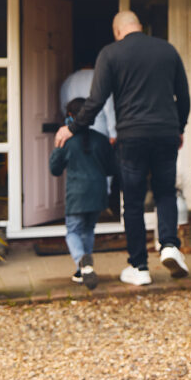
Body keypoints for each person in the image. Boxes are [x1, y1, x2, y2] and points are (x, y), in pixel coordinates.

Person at [55, 11, 191, 286]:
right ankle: (168, 245)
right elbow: (184, 96)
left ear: (117, 30)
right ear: (139, 26)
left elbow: (95, 101)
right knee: (165, 192)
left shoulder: (111, 53)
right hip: (165, 132)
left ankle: (139, 267)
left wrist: (72, 128)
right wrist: (180, 128)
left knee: (133, 201)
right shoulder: (167, 50)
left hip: (132, 136)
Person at [49, 98, 116, 290]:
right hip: (98, 192)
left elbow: (55, 169)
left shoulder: (66, 141)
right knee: (87, 230)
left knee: (73, 231)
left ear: (70, 116)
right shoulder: (101, 140)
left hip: (77, 194)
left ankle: (81, 260)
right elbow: (112, 168)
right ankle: (83, 271)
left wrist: (57, 147)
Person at [60, 55, 118, 214]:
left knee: (77, 165)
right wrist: (113, 131)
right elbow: (108, 106)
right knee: (101, 165)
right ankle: (102, 203)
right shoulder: (100, 78)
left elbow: (64, 107)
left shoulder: (68, 81)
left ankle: (78, 204)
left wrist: (68, 126)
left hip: (73, 128)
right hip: (98, 125)